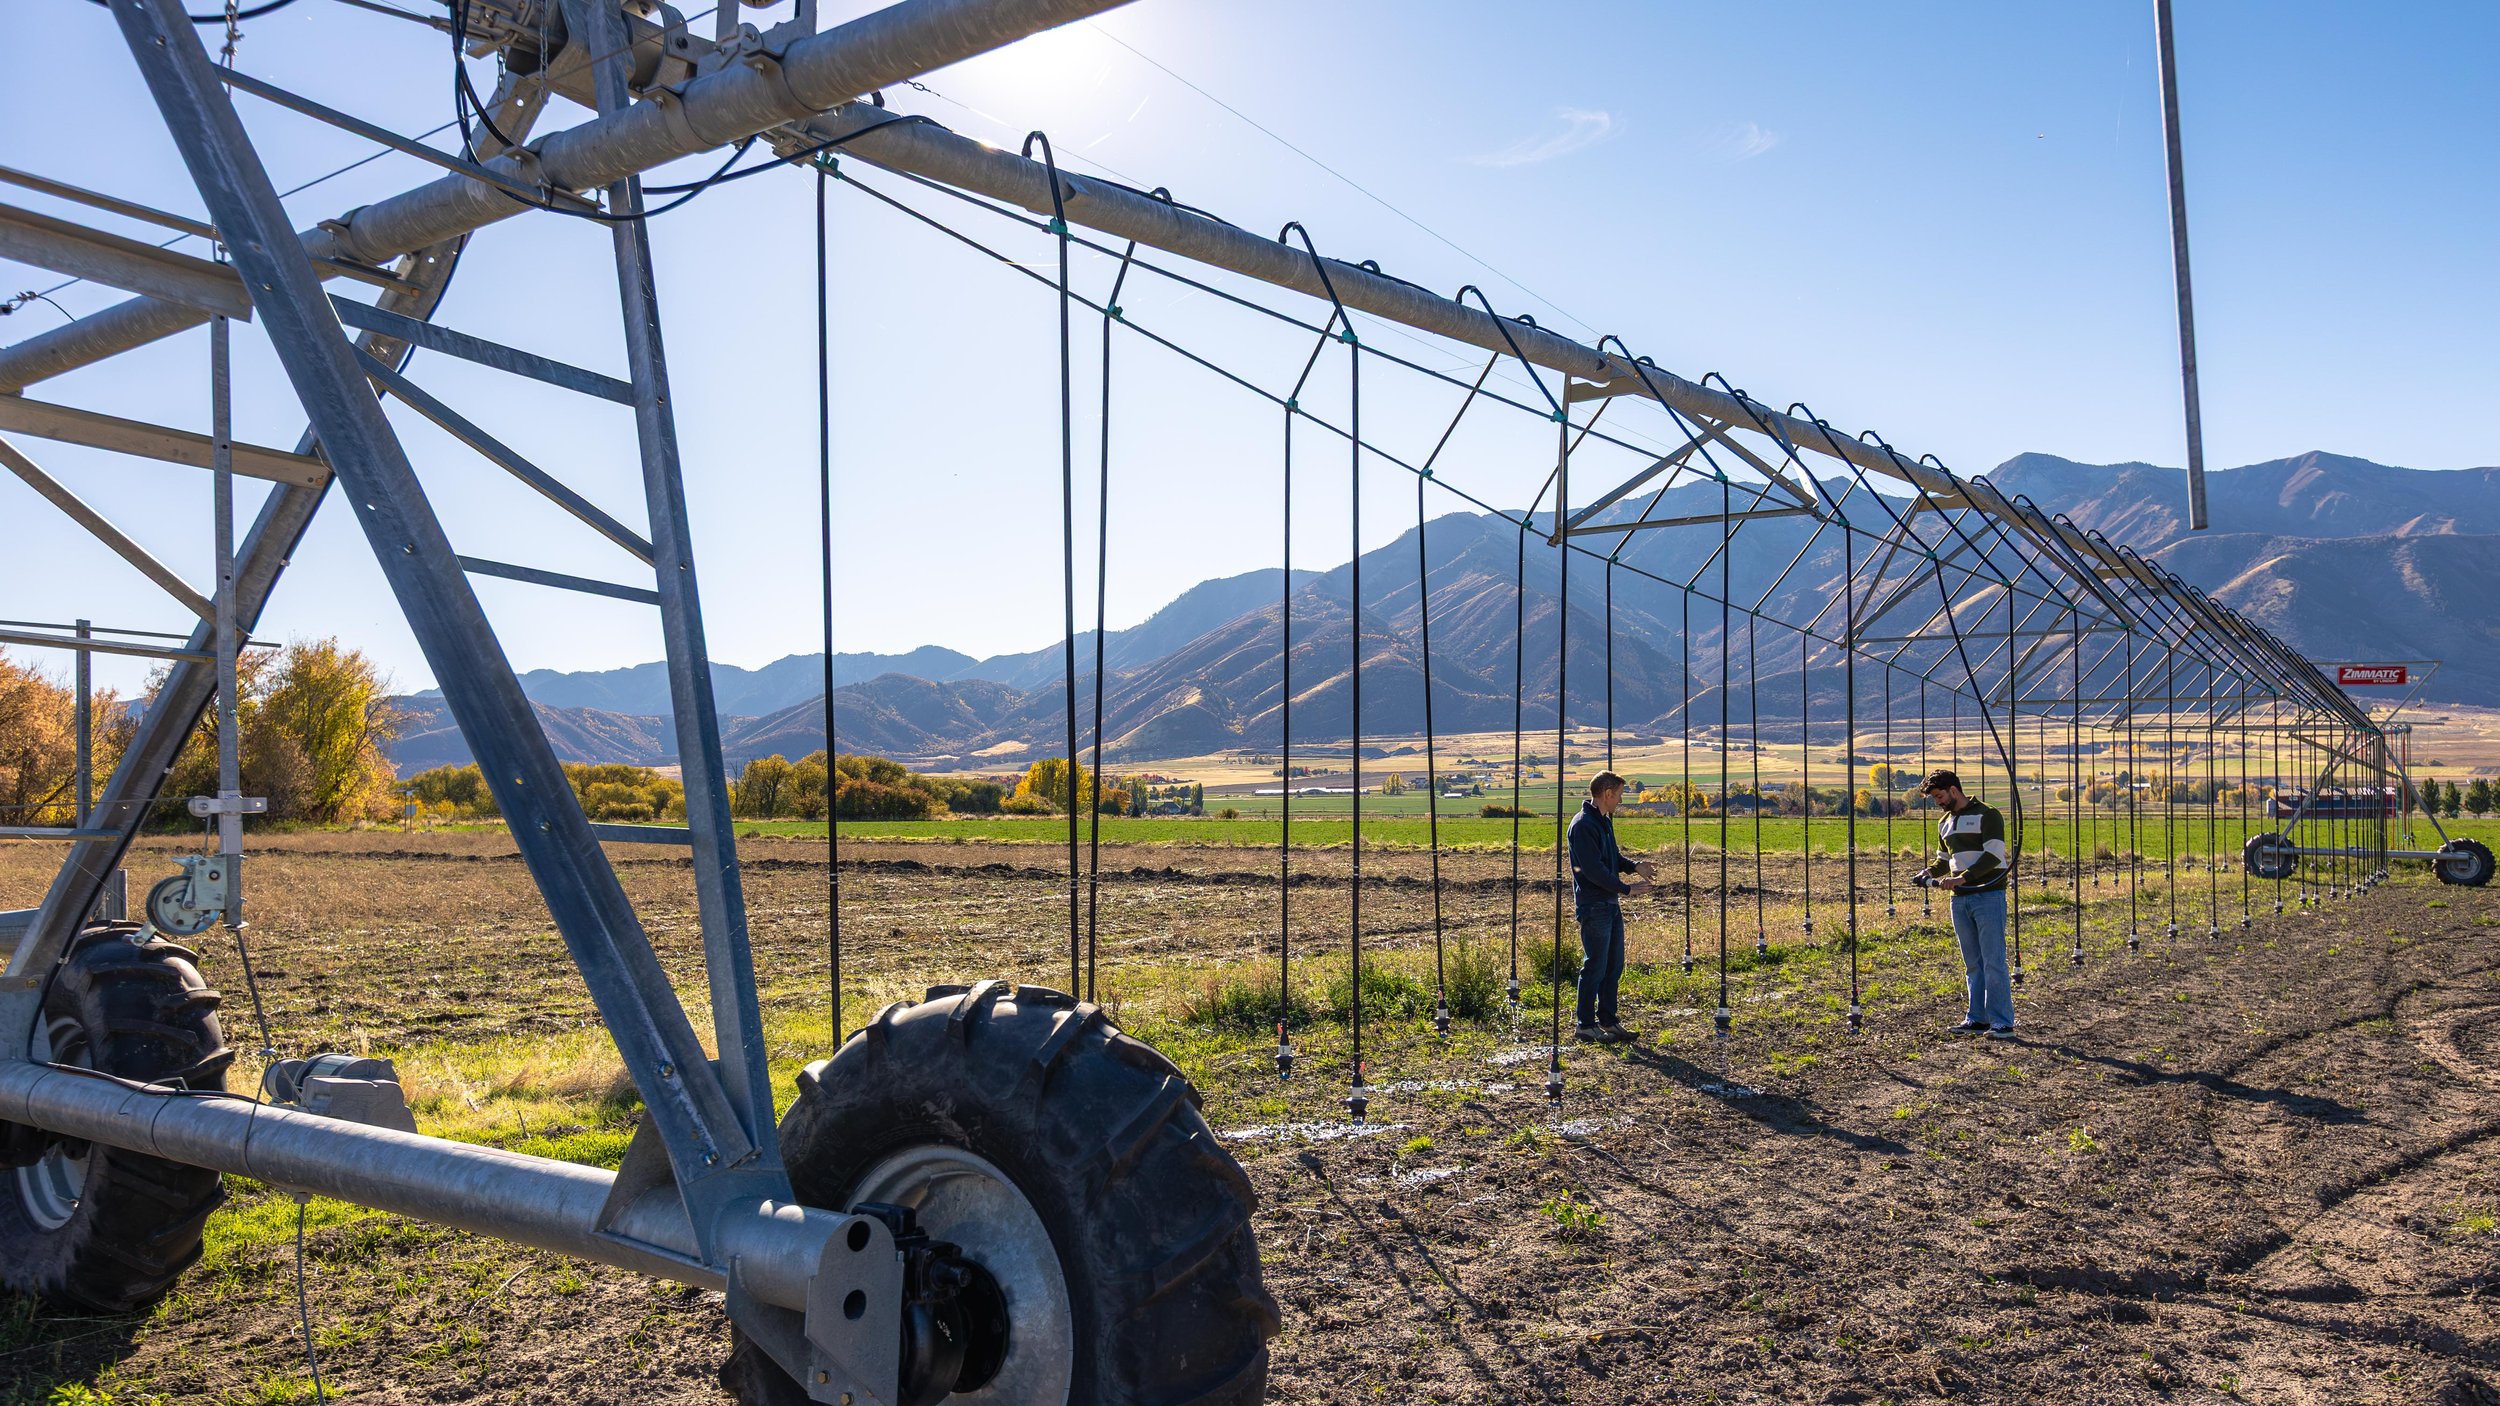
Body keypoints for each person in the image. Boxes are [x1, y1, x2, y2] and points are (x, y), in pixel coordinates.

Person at [1916, 768, 2015, 1039]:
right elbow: (1944, 861)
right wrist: (1929, 873)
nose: (1938, 802)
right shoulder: (1944, 822)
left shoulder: (1988, 814)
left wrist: (1962, 878)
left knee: (1993, 960)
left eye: (1939, 796)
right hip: (1959, 900)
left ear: (1953, 790)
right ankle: (1977, 1018)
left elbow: (1993, 856)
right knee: (1973, 962)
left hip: (1988, 894)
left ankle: (2002, 1022)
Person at [1568, 770, 1651, 1041]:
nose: (1620, 801)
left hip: (1609, 903)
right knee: (1595, 965)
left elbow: (1612, 857)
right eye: (1618, 796)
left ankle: (1608, 1020)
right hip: (1594, 906)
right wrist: (1627, 889)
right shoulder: (1582, 826)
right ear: (1607, 794)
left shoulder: (1603, 821)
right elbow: (1593, 870)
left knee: (1614, 965)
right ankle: (1585, 1024)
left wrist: (1634, 866)